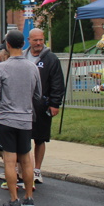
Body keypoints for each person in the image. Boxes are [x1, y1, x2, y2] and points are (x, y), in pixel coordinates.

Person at [0, 30, 41, 206]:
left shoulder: (0, 68)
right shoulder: (32, 67)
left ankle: (14, 199)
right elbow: (38, 94)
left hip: (7, 118)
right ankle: (29, 198)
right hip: (25, 118)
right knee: (26, 160)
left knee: (10, 161)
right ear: (23, 44)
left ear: (8, 45)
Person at [24, 28, 64, 184]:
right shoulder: (22, 57)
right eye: (35, 40)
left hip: (42, 105)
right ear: (29, 40)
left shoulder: (51, 59)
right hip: (23, 105)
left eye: (41, 40)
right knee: (23, 138)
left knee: (40, 139)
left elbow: (57, 83)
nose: (38, 43)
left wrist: (54, 103)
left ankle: (36, 170)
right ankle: (23, 169)